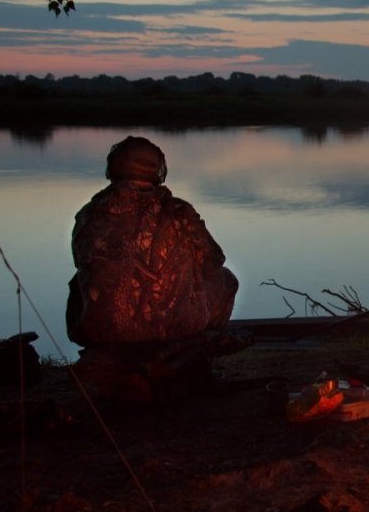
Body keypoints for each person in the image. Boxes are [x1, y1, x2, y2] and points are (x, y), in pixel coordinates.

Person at [67, 136, 242, 402]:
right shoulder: (178, 211)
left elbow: (82, 262)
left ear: (112, 169)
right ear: (159, 172)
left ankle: (118, 358)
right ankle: (191, 348)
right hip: (176, 326)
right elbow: (213, 261)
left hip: (105, 329)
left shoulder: (89, 214)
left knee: (79, 283)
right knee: (227, 279)